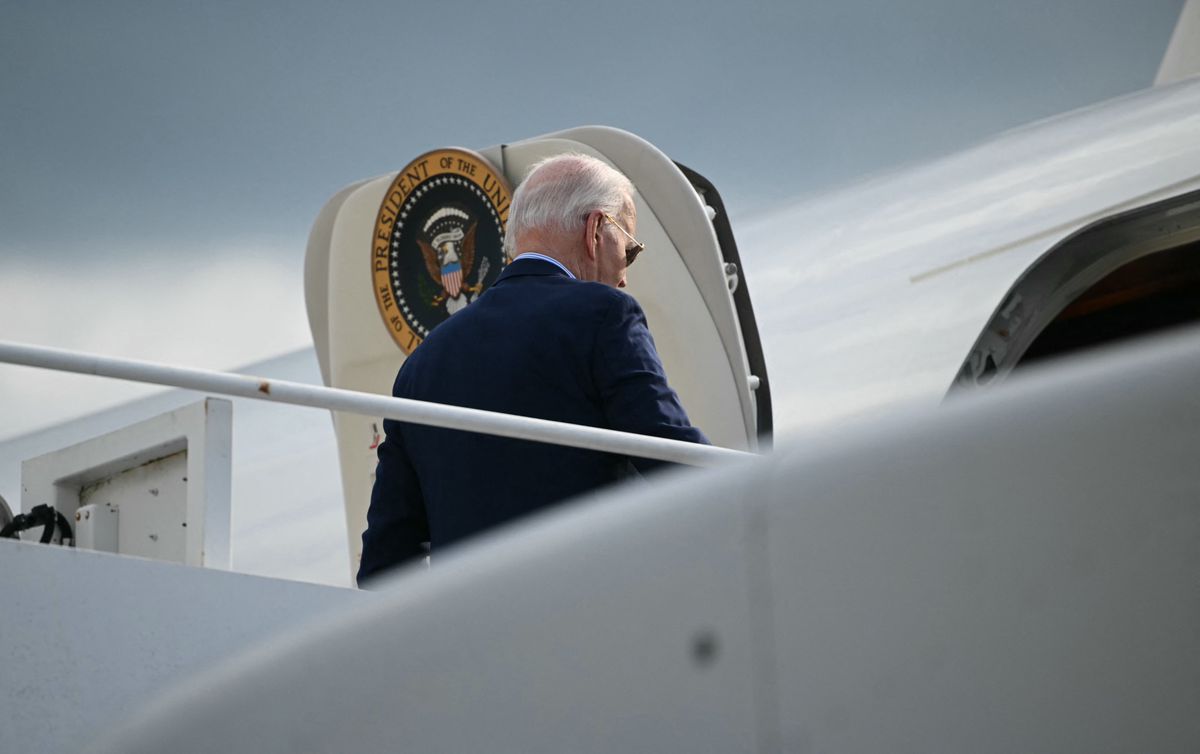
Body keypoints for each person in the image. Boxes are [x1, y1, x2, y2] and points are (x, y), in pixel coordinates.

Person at [357, 153, 708, 585]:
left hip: (475, 636)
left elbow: (385, 561)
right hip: (593, 612)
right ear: (596, 230)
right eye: (629, 250)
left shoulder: (420, 367)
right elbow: (676, 459)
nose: (624, 276)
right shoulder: (603, 315)